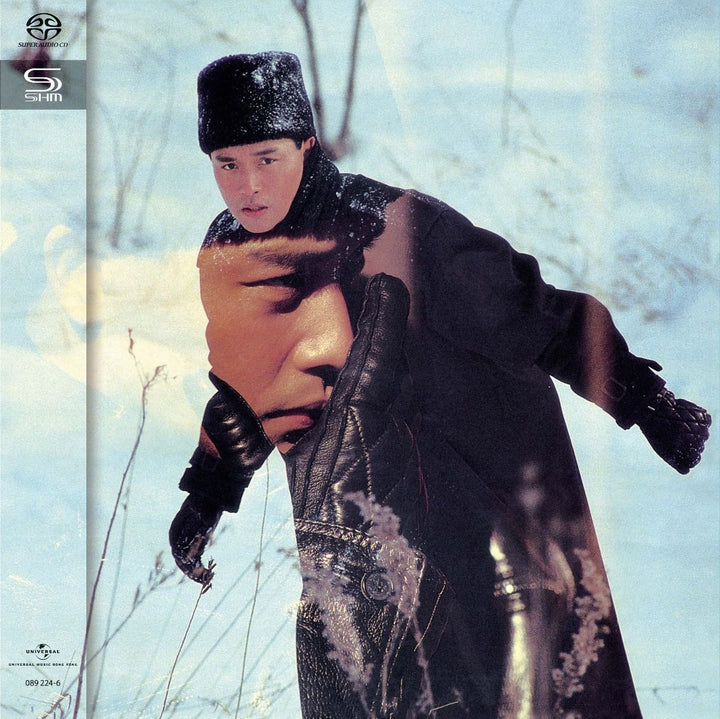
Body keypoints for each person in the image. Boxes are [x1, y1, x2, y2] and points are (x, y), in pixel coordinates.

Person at [169, 52, 711, 718]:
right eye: (227, 163)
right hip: (346, 547)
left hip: (468, 530)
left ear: (306, 145)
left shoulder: (393, 230)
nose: (248, 185)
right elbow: (253, 385)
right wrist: (209, 491)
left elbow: (531, 311)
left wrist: (643, 398)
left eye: (267, 158)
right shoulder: (229, 252)